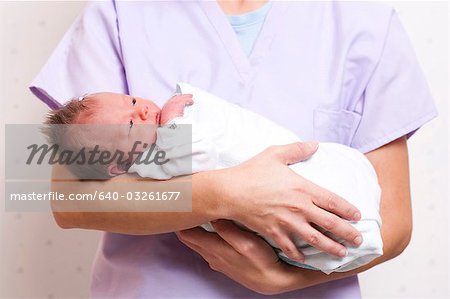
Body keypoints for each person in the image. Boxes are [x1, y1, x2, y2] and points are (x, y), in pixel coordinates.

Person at [30, 1, 437, 297]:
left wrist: (286, 279)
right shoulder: (121, 12)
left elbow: (394, 226)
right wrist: (225, 195)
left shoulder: (366, 22)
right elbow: (71, 200)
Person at [42, 82, 383, 274]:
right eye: (130, 125)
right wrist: (175, 119)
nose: (144, 110)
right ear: (116, 165)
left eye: (132, 100)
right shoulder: (150, 163)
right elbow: (196, 156)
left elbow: (401, 226)